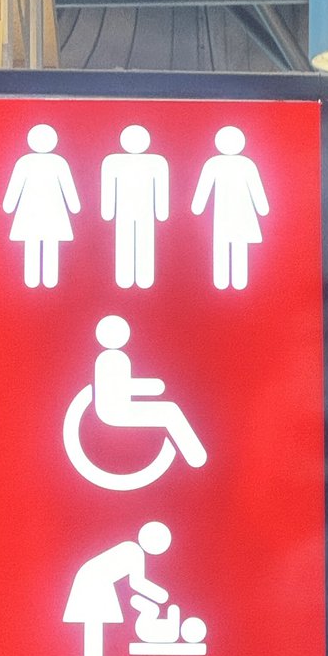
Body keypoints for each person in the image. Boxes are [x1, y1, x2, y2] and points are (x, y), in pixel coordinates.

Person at [63, 522, 171, 656]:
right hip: (93, 585)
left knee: (94, 627)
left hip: (91, 581)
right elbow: (137, 583)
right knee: (93, 625)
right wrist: (161, 596)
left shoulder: (131, 548)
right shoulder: (134, 552)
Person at [92, 315, 206, 468]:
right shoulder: (112, 359)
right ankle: (195, 456)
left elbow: (123, 387)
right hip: (116, 411)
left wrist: (153, 387)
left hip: (122, 406)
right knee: (169, 411)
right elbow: (119, 389)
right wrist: (155, 386)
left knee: (169, 410)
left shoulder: (113, 358)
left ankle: (195, 456)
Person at [191, 126, 269, 290]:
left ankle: (232, 281)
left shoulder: (235, 164)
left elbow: (256, 188)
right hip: (226, 214)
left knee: (232, 244)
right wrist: (262, 208)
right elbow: (204, 187)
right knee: (225, 244)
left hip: (235, 213)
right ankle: (224, 281)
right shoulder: (225, 164)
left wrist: (198, 207)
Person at [2, 124, 81, 287]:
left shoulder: (47, 162)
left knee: (46, 243)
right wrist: (74, 206)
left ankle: (47, 280)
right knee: (37, 243)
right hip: (39, 211)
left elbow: (67, 186)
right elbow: (16, 185)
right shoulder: (35, 162)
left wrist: (9, 205)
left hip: (44, 211)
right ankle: (37, 280)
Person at [101, 125, 169, 288]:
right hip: (125, 210)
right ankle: (125, 277)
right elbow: (108, 187)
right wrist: (107, 211)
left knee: (144, 240)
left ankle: (144, 277)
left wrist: (162, 211)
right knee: (125, 240)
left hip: (144, 211)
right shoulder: (113, 162)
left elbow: (161, 187)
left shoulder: (157, 162)